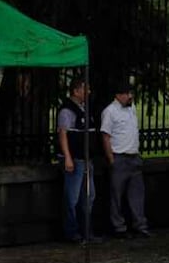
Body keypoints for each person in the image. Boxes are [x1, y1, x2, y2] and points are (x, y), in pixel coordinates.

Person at [101, 80, 151, 239]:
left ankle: (140, 225)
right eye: (127, 94)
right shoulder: (109, 111)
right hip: (119, 157)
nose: (130, 96)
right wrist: (111, 158)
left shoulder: (132, 109)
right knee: (117, 195)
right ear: (118, 95)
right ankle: (118, 227)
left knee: (137, 194)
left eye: (131, 93)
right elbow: (106, 136)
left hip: (133, 156)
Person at [58, 76, 101, 244]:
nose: (88, 92)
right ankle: (72, 232)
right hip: (75, 160)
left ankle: (86, 231)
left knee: (88, 197)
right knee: (72, 197)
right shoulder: (67, 111)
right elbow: (63, 134)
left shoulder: (83, 109)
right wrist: (68, 158)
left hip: (86, 159)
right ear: (76, 91)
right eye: (85, 89)